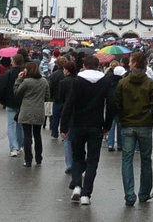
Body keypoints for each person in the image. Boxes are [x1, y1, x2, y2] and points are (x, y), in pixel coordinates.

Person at [60, 54, 114, 206]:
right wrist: (107, 125)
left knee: (77, 157)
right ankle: (86, 194)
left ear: (84, 65)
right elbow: (110, 104)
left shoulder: (77, 81)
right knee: (92, 161)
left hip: (77, 124)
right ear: (98, 66)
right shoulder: (105, 81)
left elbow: (69, 104)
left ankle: (77, 185)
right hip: (96, 125)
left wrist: (63, 126)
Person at [114, 51, 153, 207]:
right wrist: (150, 120)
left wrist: (122, 118)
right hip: (145, 125)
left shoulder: (123, 83)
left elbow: (117, 104)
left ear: (133, 64)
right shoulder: (151, 84)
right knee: (146, 159)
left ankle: (129, 195)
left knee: (127, 160)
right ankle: (144, 193)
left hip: (127, 125)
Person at [13, 61, 50, 167]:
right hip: (39, 111)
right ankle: (39, 158)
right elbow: (47, 96)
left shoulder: (26, 82)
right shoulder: (44, 81)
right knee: (37, 135)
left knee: (27, 136)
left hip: (26, 111)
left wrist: (18, 79)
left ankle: (28, 159)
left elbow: (17, 92)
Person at [0, 53, 25, 157]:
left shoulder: (8, 73)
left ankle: (14, 148)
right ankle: (21, 144)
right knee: (20, 124)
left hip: (10, 102)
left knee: (11, 125)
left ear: (13, 62)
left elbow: (1, 87)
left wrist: (0, 99)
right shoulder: (25, 74)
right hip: (22, 102)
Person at [58, 61, 78, 174]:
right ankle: (76, 162)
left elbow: (60, 98)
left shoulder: (63, 82)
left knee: (67, 140)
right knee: (76, 141)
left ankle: (69, 164)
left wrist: (62, 127)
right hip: (78, 113)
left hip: (67, 111)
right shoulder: (78, 81)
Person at [107, 66, 126, 151]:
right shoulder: (123, 83)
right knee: (119, 126)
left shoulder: (109, 81)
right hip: (120, 107)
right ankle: (120, 144)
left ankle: (110, 144)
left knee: (111, 126)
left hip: (110, 106)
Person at [48, 56, 66, 139]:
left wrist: (51, 96)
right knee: (64, 117)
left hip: (56, 98)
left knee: (55, 117)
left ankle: (54, 133)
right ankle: (64, 132)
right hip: (65, 99)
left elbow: (50, 87)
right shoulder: (67, 74)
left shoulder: (54, 75)